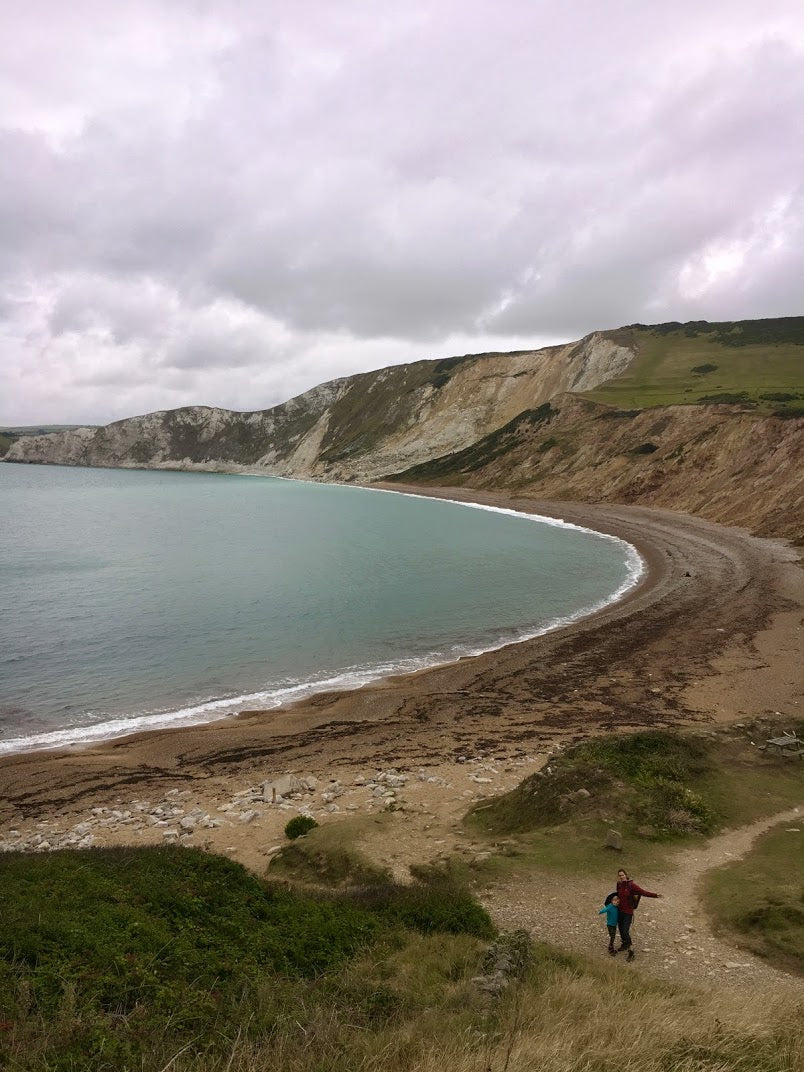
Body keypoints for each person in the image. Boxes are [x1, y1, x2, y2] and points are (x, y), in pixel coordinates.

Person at [615, 868, 661, 961]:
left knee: (625, 931)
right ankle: (624, 945)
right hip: (620, 911)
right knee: (620, 929)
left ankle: (631, 952)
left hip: (628, 912)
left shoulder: (631, 885)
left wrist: (655, 895)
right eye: (620, 875)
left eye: (622, 875)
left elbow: (643, 892)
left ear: (626, 875)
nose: (621, 877)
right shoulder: (619, 884)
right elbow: (618, 896)